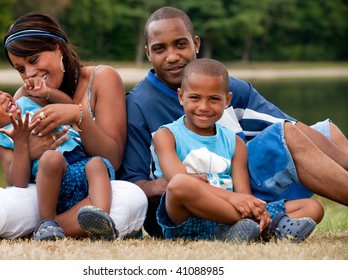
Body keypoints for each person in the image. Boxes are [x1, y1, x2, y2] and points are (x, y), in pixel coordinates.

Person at [117, 6, 348, 237]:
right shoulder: (138, 105)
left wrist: (242, 197)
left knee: (328, 133)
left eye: (180, 44)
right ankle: (256, 224)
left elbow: (295, 131)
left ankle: (253, 225)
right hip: (185, 206)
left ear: (195, 44)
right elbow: (132, 184)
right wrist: (169, 182)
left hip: (238, 185)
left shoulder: (225, 86)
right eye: (160, 49)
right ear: (148, 52)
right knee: (288, 135)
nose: (172, 55)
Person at [0, 12, 147, 240]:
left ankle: (42, 231)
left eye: (34, 60)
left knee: (132, 197)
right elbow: (17, 183)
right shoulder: (23, 98)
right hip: (46, 194)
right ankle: (50, 226)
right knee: (5, 202)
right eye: (20, 69)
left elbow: (112, 159)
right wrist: (29, 151)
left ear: (58, 48)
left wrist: (78, 115)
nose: (29, 74)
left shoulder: (102, 78)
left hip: (92, 191)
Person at [153, 58, 322, 242]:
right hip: (188, 219)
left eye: (214, 99)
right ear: (181, 97)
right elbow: (177, 180)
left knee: (312, 207)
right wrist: (233, 198)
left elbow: (243, 195)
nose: (204, 107)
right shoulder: (167, 135)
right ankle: (262, 227)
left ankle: (239, 230)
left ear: (227, 100)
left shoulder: (235, 142)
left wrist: (246, 203)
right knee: (180, 184)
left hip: (229, 215)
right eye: (195, 98)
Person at [0, 83, 116, 241]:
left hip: (82, 166)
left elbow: (68, 104)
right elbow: (17, 181)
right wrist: (21, 143)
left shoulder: (27, 102)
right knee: (50, 158)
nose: (2, 98)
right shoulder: (2, 138)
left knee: (97, 164)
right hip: (55, 184)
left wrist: (48, 92)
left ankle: (100, 219)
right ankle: (47, 223)